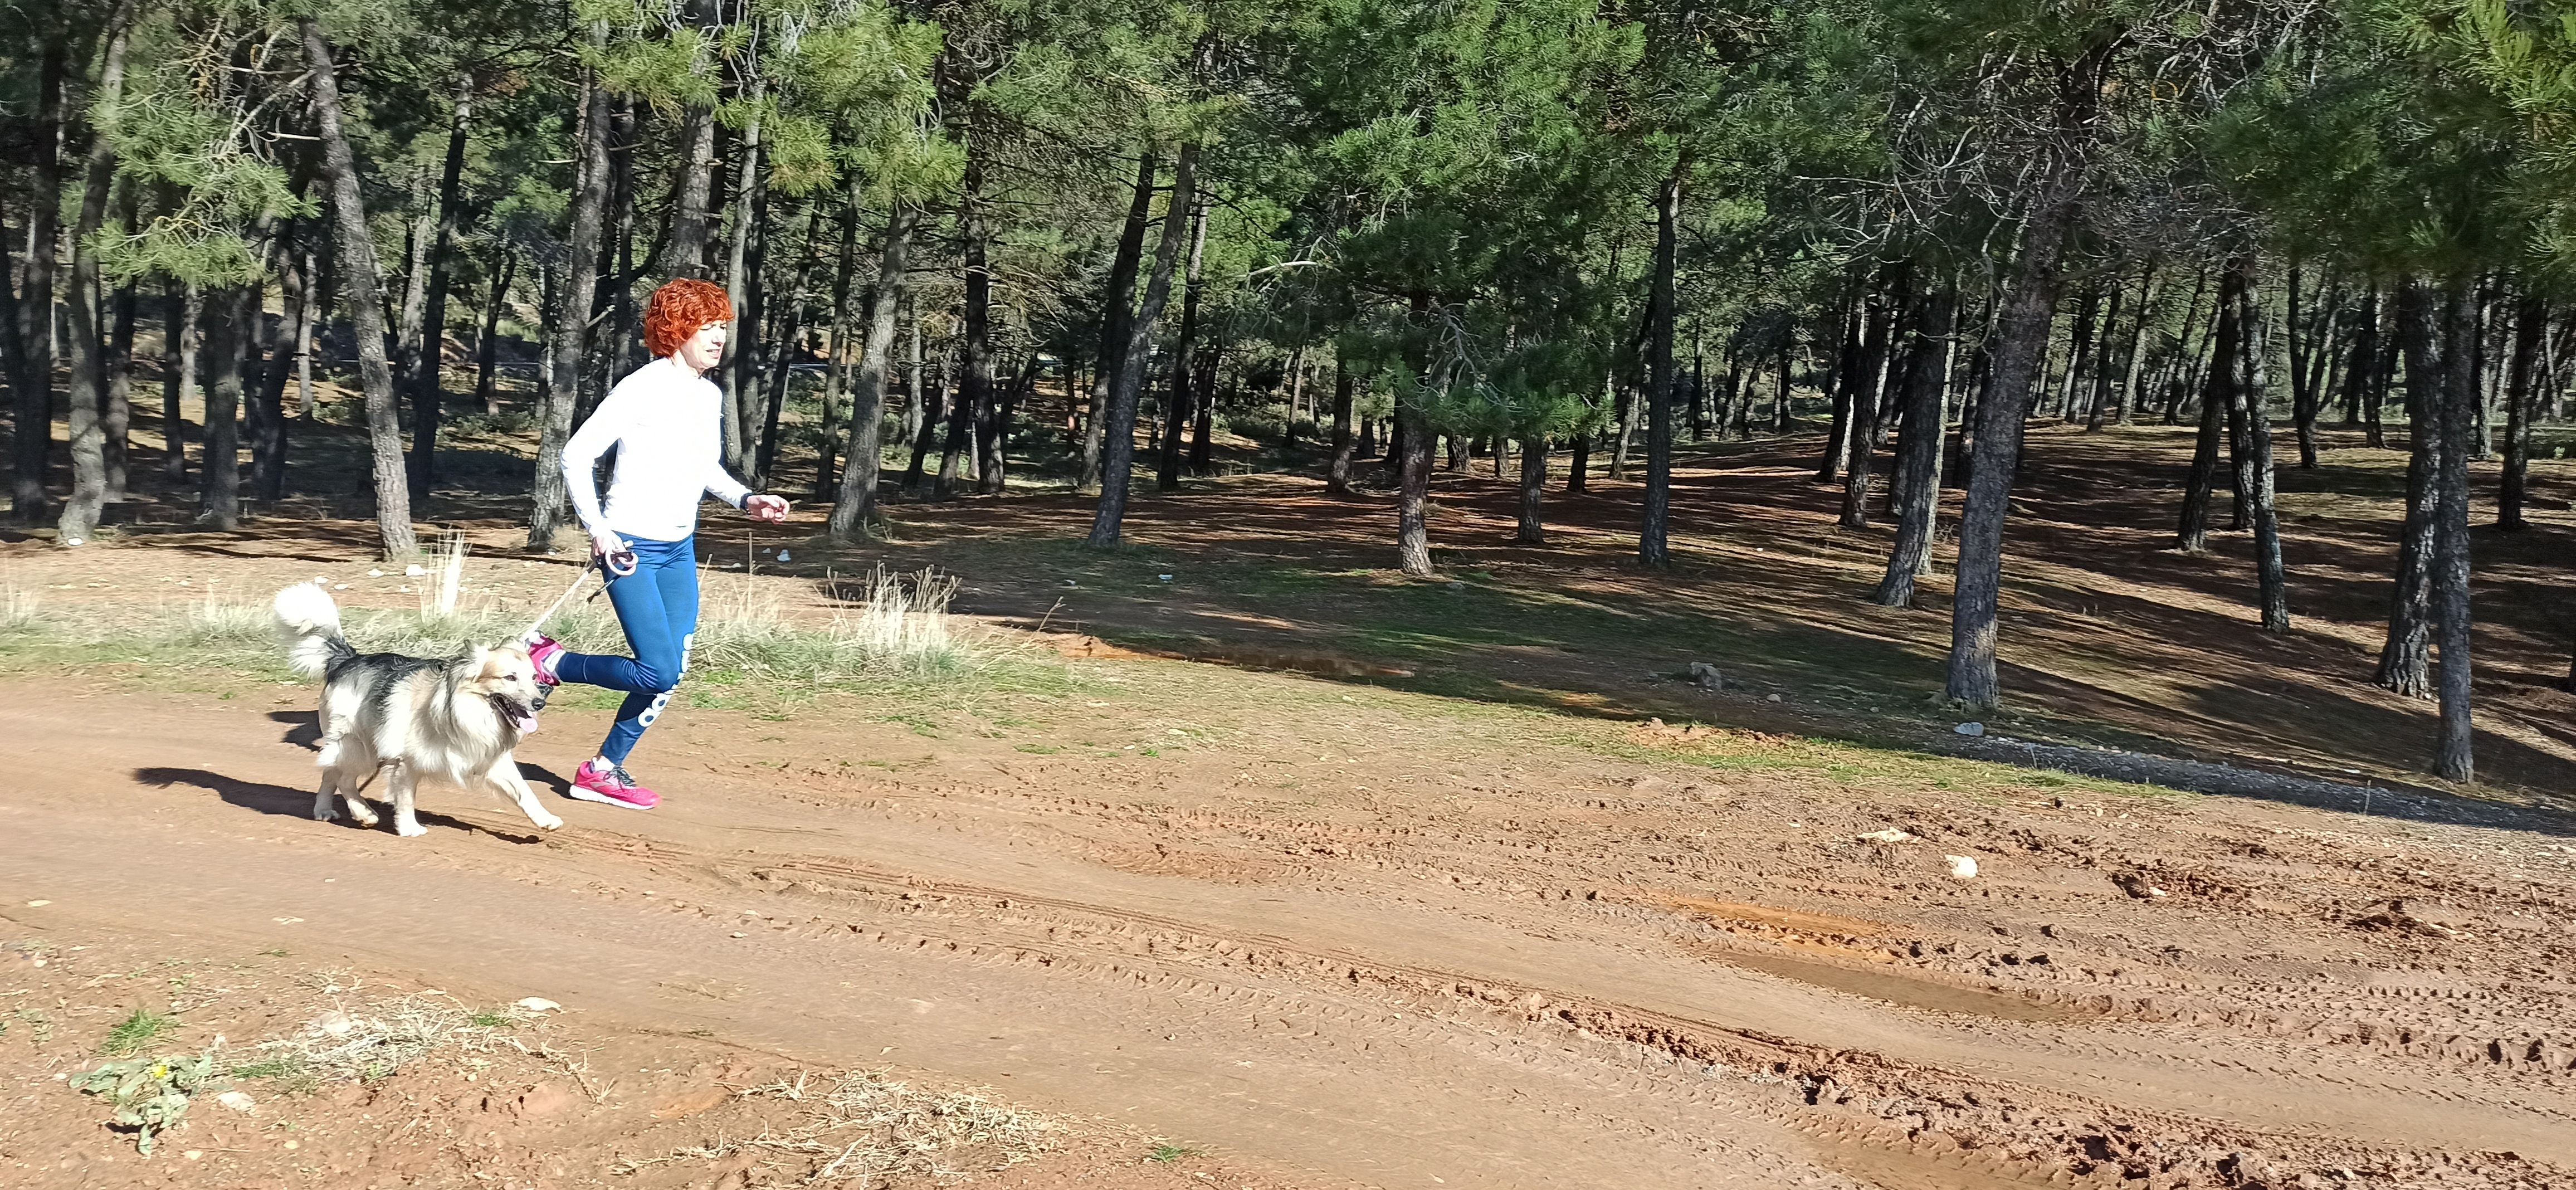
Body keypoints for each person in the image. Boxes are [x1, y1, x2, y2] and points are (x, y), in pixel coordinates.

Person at [525, 277, 789, 810]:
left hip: (678, 549)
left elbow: (702, 467)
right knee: (658, 669)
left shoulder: (709, 393)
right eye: (706, 328)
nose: (718, 339)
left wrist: (745, 499)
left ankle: (602, 770)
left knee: (674, 667)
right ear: (677, 330)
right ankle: (551, 662)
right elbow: (576, 457)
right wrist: (599, 530)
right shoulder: (641, 388)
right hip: (631, 548)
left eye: (721, 328)